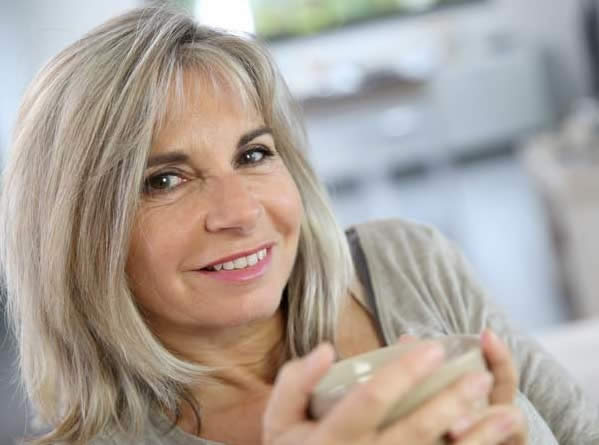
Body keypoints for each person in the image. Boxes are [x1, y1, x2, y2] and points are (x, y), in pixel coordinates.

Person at [0, 4, 597, 445]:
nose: (241, 214)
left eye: (253, 155)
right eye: (164, 180)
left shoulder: (407, 262)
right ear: (77, 236)